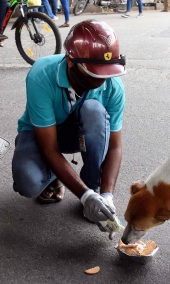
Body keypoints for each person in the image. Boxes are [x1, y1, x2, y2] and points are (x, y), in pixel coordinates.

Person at [12, 20, 126, 235]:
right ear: (70, 61)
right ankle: (59, 178)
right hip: (41, 135)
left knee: (94, 111)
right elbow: (49, 147)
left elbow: (114, 147)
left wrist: (105, 194)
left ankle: (92, 185)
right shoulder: (41, 75)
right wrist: (83, 195)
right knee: (28, 183)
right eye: (93, 72)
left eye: (105, 72)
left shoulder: (113, 84)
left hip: (80, 132)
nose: (101, 80)